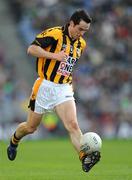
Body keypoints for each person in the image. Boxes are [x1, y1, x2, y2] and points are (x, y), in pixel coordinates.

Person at [7, 9, 100, 172]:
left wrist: (71, 84)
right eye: (80, 29)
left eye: (85, 31)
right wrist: (54, 56)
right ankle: (14, 141)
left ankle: (84, 158)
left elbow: (68, 66)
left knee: (72, 124)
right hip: (44, 85)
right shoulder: (55, 34)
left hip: (64, 87)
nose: (82, 34)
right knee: (30, 127)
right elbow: (31, 49)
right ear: (71, 23)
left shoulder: (81, 44)